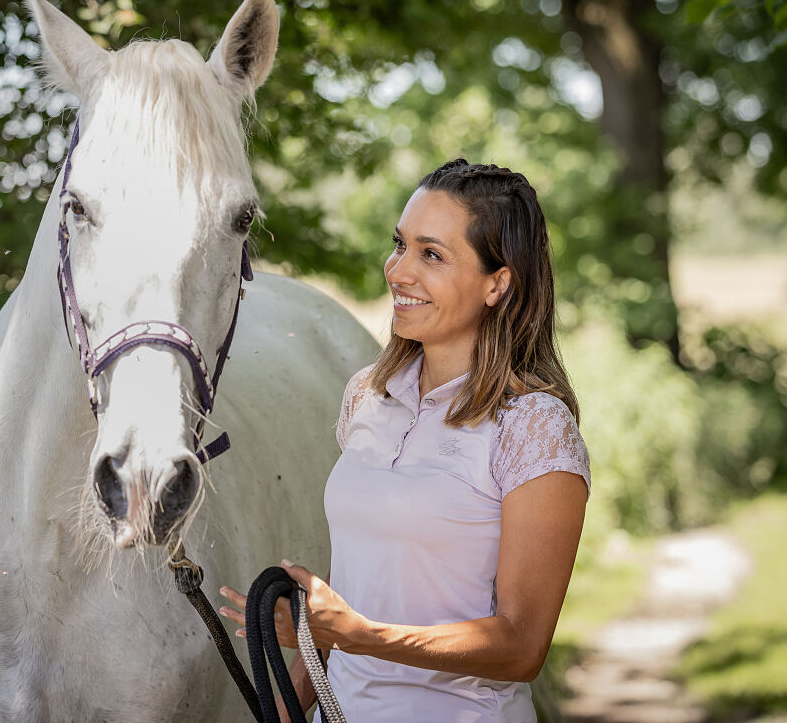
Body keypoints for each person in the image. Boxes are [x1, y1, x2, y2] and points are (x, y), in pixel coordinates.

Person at [218, 159, 591, 722]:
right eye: (400, 245)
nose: (398, 271)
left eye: (431, 255)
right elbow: (350, 589)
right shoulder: (366, 397)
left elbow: (521, 647)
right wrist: (295, 699)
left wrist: (362, 636)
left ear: (499, 282)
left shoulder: (534, 427)